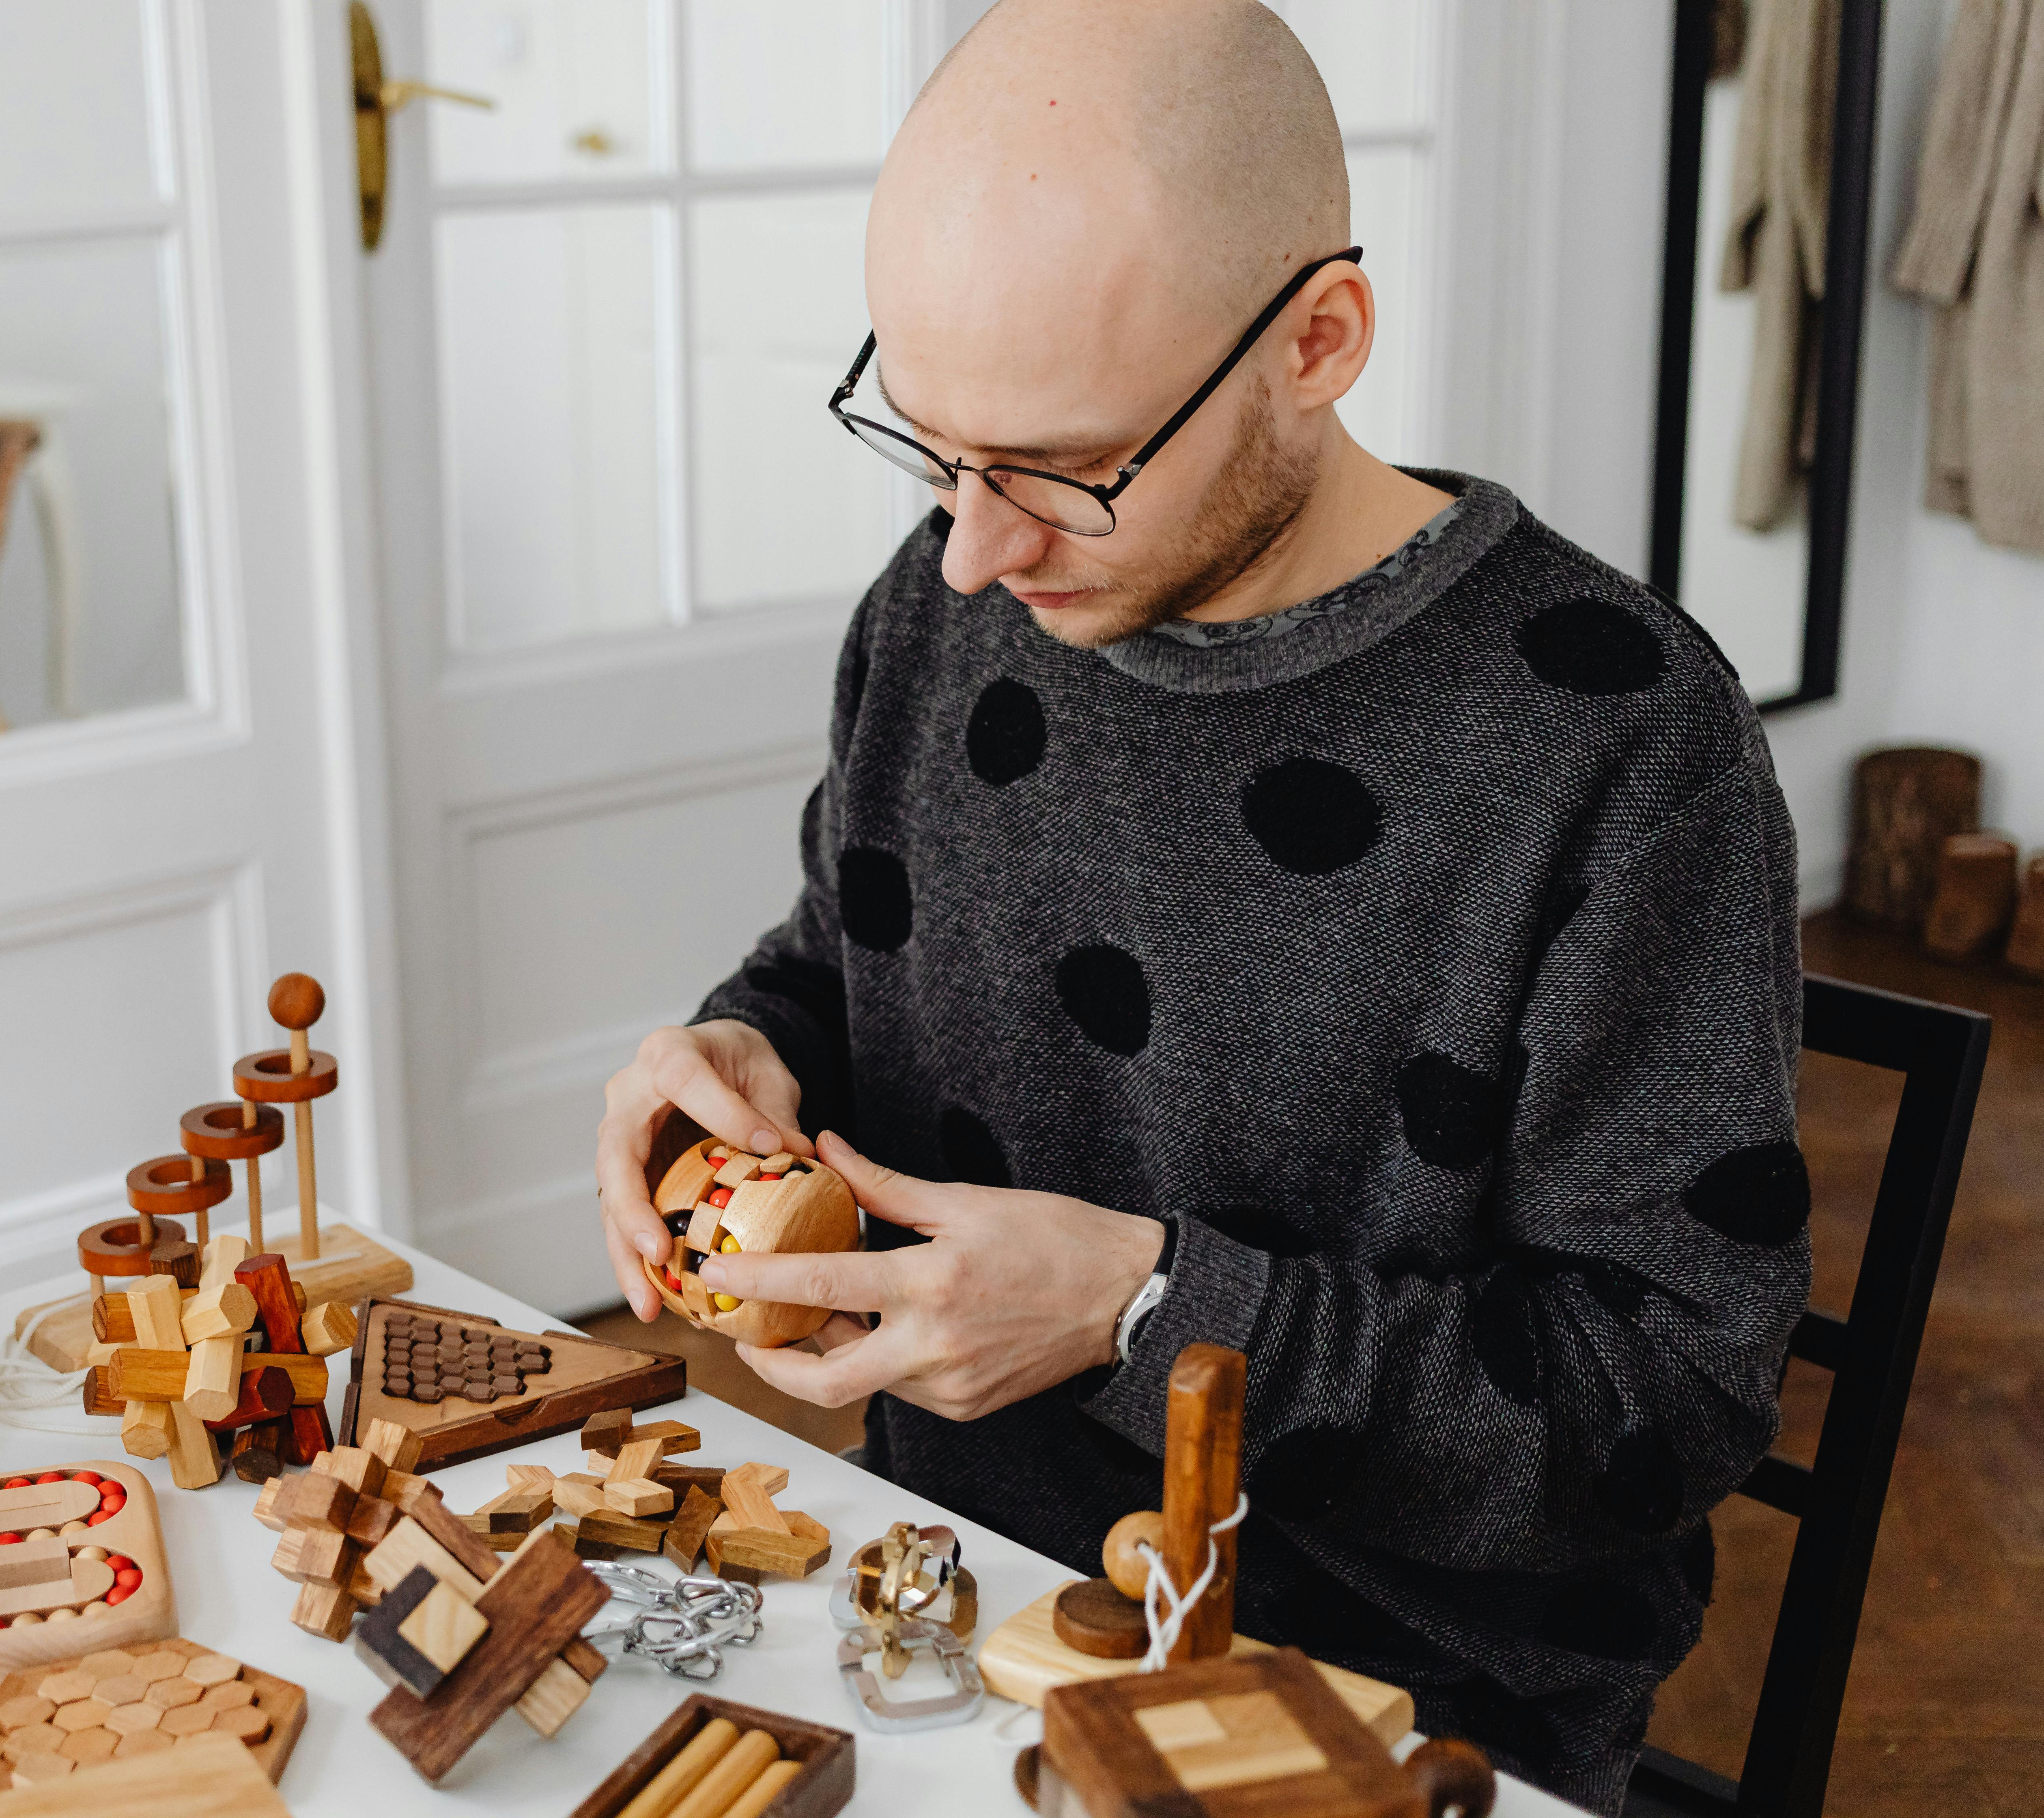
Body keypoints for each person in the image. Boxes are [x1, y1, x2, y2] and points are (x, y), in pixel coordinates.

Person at [593, 3, 1805, 1809]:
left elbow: (1653, 1410)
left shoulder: (1615, 732)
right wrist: (738, 1053)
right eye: (927, 446)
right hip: (936, 1588)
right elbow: (849, 968)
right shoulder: (944, 608)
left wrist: (1149, 1320)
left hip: (1382, 1701)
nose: (973, 551)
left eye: (1066, 470)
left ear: (1319, 338)